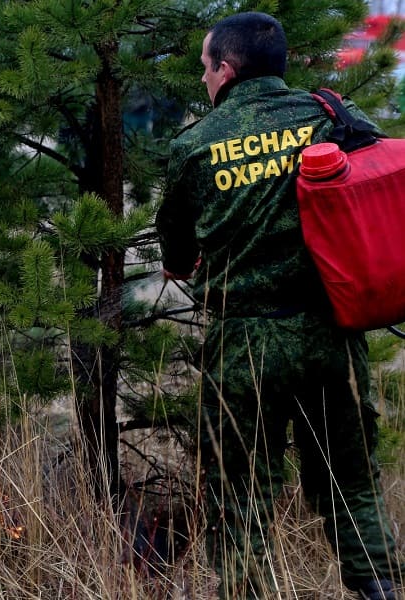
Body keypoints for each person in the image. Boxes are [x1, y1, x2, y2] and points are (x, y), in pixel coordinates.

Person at [156, 11, 401, 600]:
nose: (204, 79)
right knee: (352, 483)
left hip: (245, 348)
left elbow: (177, 259)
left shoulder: (194, 147)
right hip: (331, 337)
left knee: (240, 493)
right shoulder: (331, 115)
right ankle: (384, 593)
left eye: (206, 68)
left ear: (226, 70)